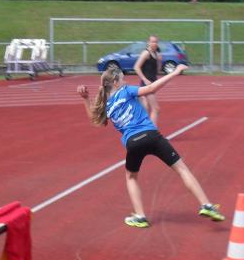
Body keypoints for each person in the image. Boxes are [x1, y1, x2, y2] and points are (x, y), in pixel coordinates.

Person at [77, 65, 225, 228]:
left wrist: (85, 98)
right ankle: (206, 205)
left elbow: (95, 119)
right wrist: (175, 72)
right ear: (116, 82)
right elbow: (152, 88)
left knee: (131, 177)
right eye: (123, 79)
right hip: (152, 136)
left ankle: (140, 216)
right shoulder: (126, 91)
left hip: (133, 143)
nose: (126, 81)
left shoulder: (108, 106)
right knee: (182, 169)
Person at [132, 35, 162, 127]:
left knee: (145, 108)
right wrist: (145, 79)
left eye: (156, 42)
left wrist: (159, 61)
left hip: (152, 84)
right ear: (148, 42)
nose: (154, 43)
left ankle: (141, 128)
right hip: (147, 85)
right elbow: (136, 67)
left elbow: (157, 71)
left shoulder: (156, 54)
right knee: (155, 109)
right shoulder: (146, 53)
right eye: (152, 41)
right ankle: (152, 131)